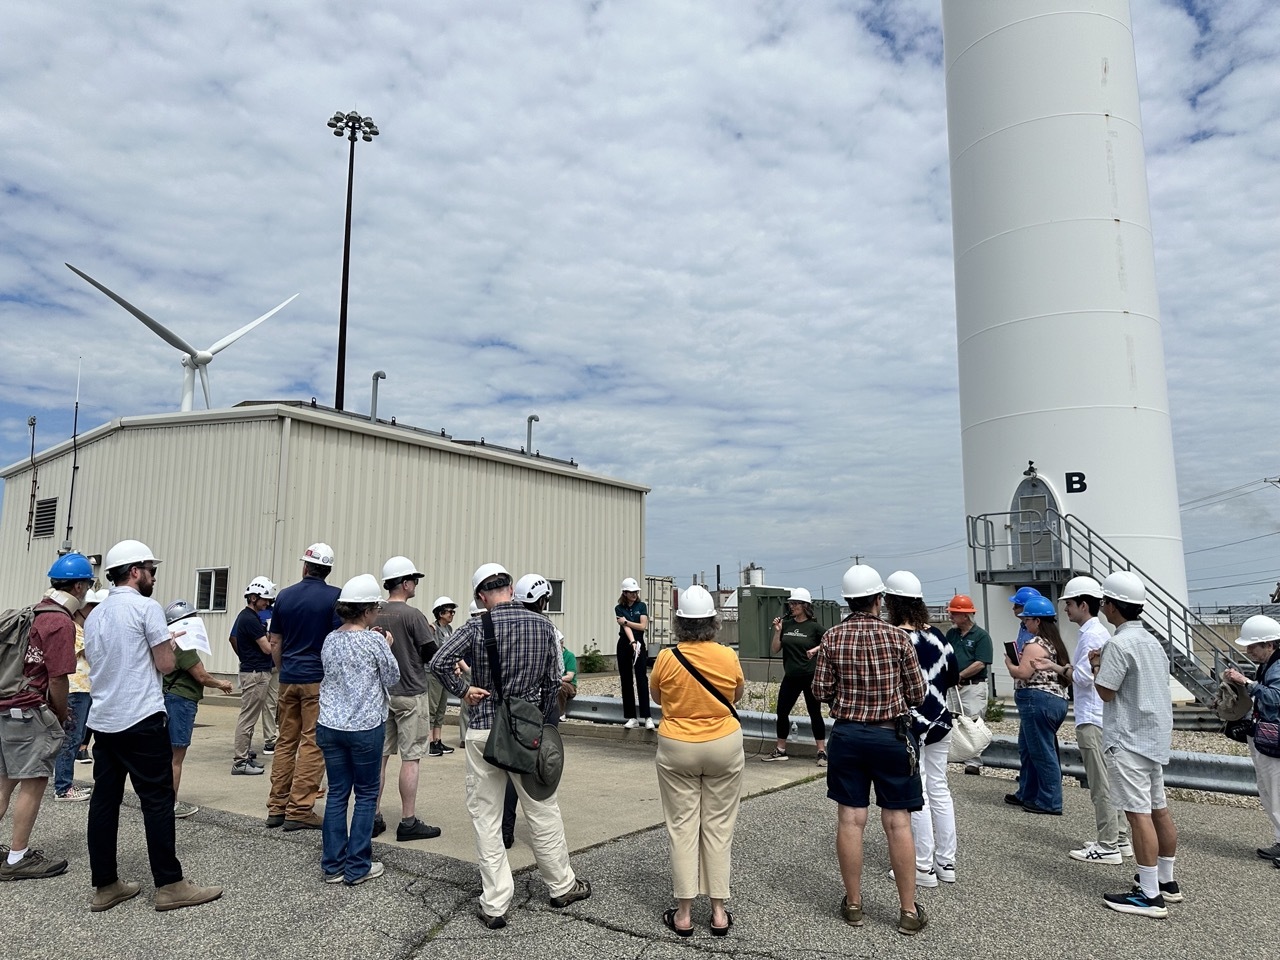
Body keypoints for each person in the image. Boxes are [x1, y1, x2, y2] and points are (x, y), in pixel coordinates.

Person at [429, 563, 591, 929]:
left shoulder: (476, 625)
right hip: (524, 731)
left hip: (484, 729)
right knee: (542, 807)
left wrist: (464, 691)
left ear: (481, 596)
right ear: (509, 589)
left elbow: (439, 662)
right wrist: (536, 716)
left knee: (486, 816)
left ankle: (495, 903)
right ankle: (562, 886)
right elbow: (553, 683)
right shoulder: (545, 626)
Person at [83, 539, 222, 912]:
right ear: (135, 572)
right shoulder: (147, 609)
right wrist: (171, 644)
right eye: (151, 570)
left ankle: (106, 884)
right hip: (141, 719)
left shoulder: (95, 614)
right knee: (157, 801)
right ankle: (170, 884)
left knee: (105, 801)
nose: (154, 577)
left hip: (104, 720)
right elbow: (164, 665)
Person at [812, 564, 928, 936]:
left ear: (848, 600)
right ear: (879, 598)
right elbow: (918, 694)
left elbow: (819, 690)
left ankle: (854, 904)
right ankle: (908, 911)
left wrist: (842, 697)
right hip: (890, 735)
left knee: (851, 819)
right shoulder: (898, 639)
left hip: (847, 736)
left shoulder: (832, 637)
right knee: (898, 821)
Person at [649, 584, 744, 937]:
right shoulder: (727, 656)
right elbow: (737, 693)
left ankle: (684, 913)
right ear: (714, 622)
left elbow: (657, 697)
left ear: (679, 624)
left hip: (678, 747)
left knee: (682, 827)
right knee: (719, 828)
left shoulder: (666, 658)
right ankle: (719, 912)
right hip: (723, 743)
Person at [1090, 571, 1181, 918]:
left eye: (1104, 603)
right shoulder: (1152, 641)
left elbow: (1106, 691)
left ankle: (1148, 895)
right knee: (1158, 809)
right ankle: (1166, 882)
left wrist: (1096, 664)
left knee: (1137, 814)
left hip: (1127, 736)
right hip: (1154, 735)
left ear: (1110, 606)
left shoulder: (1118, 644)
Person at [0, 553, 93, 879]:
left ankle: (12, 855)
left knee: (4, 783)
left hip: (6, 708)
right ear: (80, 585)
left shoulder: (34, 611)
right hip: (29, 711)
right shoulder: (59, 622)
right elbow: (57, 678)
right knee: (35, 782)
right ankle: (17, 859)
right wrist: (61, 712)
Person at [317, 574, 401, 885]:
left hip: (330, 724)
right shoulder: (375, 640)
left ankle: (333, 865)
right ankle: (357, 866)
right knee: (366, 794)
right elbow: (392, 677)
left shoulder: (329, 639)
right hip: (365, 726)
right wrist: (387, 645)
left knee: (338, 793)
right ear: (367, 611)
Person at [884, 571, 959, 887]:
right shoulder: (940, 637)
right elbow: (953, 676)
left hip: (910, 725)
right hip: (941, 721)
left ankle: (922, 866)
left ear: (891, 603)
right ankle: (947, 863)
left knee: (918, 793)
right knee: (940, 789)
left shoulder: (895, 638)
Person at [266, 541, 340, 831]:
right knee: (312, 743)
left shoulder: (284, 596)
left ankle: (277, 807)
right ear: (328, 570)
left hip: (289, 679)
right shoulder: (335, 597)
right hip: (317, 679)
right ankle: (299, 809)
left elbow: (275, 642)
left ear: (305, 566)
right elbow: (336, 641)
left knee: (286, 741)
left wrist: (284, 669)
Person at [1061, 576, 1131, 863]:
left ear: (1083, 604)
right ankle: (1121, 837)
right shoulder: (1098, 632)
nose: (1066, 609)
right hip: (1101, 715)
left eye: (1069, 604)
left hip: (1091, 716)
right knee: (1111, 780)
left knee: (1100, 783)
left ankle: (1107, 844)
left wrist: (1059, 668)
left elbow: (1084, 676)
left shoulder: (1092, 635)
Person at [374, 556, 443, 843]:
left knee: (380, 758)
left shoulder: (373, 612)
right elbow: (431, 654)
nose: (415, 584)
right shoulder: (413, 615)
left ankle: (372, 817)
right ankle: (408, 821)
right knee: (411, 757)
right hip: (411, 691)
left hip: (382, 693)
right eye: (413, 579)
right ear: (404, 583)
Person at [500, 574, 566, 849]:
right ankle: (546, 839)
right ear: (542, 601)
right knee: (542, 769)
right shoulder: (547, 628)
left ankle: (505, 829)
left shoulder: (504, 626)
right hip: (541, 707)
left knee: (510, 772)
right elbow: (557, 673)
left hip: (511, 709)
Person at [161, 600, 234, 817]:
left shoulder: (167, 642)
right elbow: (201, 676)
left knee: (165, 754)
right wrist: (222, 684)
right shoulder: (184, 644)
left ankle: (160, 802)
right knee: (176, 756)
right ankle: (170, 804)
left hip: (167, 699)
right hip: (181, 701)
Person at [1003, 595, 1071, 815]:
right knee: (1030, 749)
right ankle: (1028, 793)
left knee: (1041, 752)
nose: (1024, 623)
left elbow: (1022, 673)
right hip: (1053, 700)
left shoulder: (1035, 644)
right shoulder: (1056, 644)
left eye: (1027, 620)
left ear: (1038, 621)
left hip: (1037, 700)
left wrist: (1010, 663)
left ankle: (1050, 801)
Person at [1222, 615, 1280, 864]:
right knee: (1268, 791)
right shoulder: (1269, 664)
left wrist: (1246, 682)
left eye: (1253, 646)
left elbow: (1276, 698)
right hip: (1266, 736)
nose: (1248, 650)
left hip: (1273, 738)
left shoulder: (1276, 666)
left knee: (1275, 791)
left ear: (1269, 644)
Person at [53, 585, 107, 802]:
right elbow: (88, 652)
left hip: (84, 689)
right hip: (76, 689)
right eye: (92, 606)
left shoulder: (82, 629)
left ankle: (65, 784)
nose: (95, 610)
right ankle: (63, 787)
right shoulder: (74, 629)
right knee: (71, 738)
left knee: (75, 738)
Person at [763, 588, 827, 766]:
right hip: (791, 676)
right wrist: (777, 631)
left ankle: (821, 752)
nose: (792, 607)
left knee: (814, 712)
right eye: (791, 604)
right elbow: (775, 649)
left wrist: (815, 650)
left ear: (805, 606)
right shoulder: (787, 624)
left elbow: (831, 640)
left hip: (810, 676)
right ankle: (781, 749)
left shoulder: (814, 627)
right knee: (782, 712)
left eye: (795, 603)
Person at [229, 577, 276, 775]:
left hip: (252, 671)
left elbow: (235, 640)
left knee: (250, 716)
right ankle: (240, 761)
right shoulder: (250, 619)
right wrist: (276, 638)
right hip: (256, 674)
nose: (267, 604)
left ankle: (244, 756)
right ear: (254, 597)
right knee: (248, 718)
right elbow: (267, 649)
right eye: (265, 599)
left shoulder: (246, 617)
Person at [943, 594, 992, 775]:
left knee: (973, 721)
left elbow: (981, 662)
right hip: (954, 686)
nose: (950, 617)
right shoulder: (951, 634)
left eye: (954, 613)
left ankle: (973, 762)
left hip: (973, 685)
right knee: (951, 720)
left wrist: (960, 675)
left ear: (965, 616)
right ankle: (953, 753)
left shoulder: (981, 636)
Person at [616, 578, 654, 730]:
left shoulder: (641, 606)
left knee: (641, 679)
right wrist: (631, 642)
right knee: (626, 680)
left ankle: (647, 716)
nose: (634, 594)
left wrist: (626, 622)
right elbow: (626, 629)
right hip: (625, 643)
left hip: (639, 643)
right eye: (631, 592)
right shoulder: (619, 608)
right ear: (624, 593)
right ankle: (632, 717)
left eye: (636, 592)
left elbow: (642, 626)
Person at [426, 596, 458, 757]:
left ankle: (437, 739)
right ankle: (429, 742)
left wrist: (455, 665)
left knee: (441, 708)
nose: (452, 614)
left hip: (445, 673)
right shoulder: (433, 629)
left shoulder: (449, 630)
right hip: (433, 674)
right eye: (449, 611)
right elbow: (434, 652)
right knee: (432, 708)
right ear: (440, 613)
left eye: (453, 611)